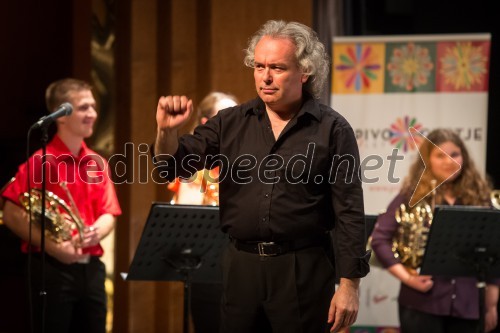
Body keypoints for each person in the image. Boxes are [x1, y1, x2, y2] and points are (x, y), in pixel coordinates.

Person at [153, 20, 370, 333]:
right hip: (241, 266)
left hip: (303, 269)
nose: (266, 77)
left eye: (278, 68)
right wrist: (165, 131)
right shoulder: (229, 122)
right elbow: (172, 166)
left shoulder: (332, 129)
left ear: (305, 72)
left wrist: (350, 286)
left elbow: (349, 210)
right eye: (259, 66)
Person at [2, 78, 122, 333]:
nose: (92, 114)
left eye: (93, 106)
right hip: (51, 268)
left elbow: (109, 213)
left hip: (90, 270)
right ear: (62, 115)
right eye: (83, 108)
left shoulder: (98, 162)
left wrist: (95, 232)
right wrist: (56, 248)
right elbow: (11, 214)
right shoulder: (40, 161)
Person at [370, 128, 499, 333]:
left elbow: (493, 250)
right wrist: (408, 279)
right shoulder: (410, 195)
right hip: (421, 303)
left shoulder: (481, 198)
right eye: (440, 155)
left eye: (454, 154)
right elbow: (379, 239)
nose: (449, 161)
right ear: (427, 160)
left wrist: (491, 304)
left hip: (468, 305)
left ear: (463, 157)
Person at [167, 91, 238, 333]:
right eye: (229, 116)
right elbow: (190, 222)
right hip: (210, 274)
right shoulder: (194, 170)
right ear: (208, 124)